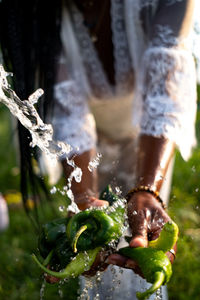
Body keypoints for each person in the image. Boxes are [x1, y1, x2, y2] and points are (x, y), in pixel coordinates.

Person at [0, 0, 197, 299]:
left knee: (143, 234)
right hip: (87, 123)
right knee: (97, 247)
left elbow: (163, 91)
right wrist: (83, 197)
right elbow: (68, 112)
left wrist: (148, 190)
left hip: (147, 123)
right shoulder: (36, 12)